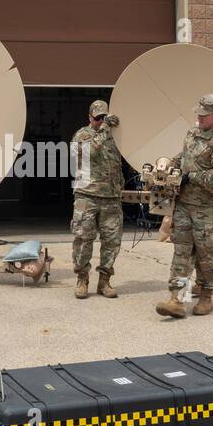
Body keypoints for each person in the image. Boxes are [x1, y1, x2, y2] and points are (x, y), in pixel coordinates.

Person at [156, 94, 213, 318]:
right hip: (183, 204)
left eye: (204, 115)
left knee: (205, 253)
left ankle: (206, 297)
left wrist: (190, 177)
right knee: (181, 251)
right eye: (198, 113)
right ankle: (177, 300)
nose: (199, 117)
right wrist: (168, 164)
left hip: (207, 209)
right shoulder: (193, 132)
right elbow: (184, 156)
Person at [70, 100, 124, 299]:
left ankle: (104, 281)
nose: (101, 121)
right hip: (87, 196)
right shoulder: (82, 135)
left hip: (111, 196)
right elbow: (91, 152)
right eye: (98, 117)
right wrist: (105, 129)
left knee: (112, 241)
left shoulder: (114, 135)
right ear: (89, 117)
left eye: (104, 117)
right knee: (84, 240)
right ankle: (82, 279)